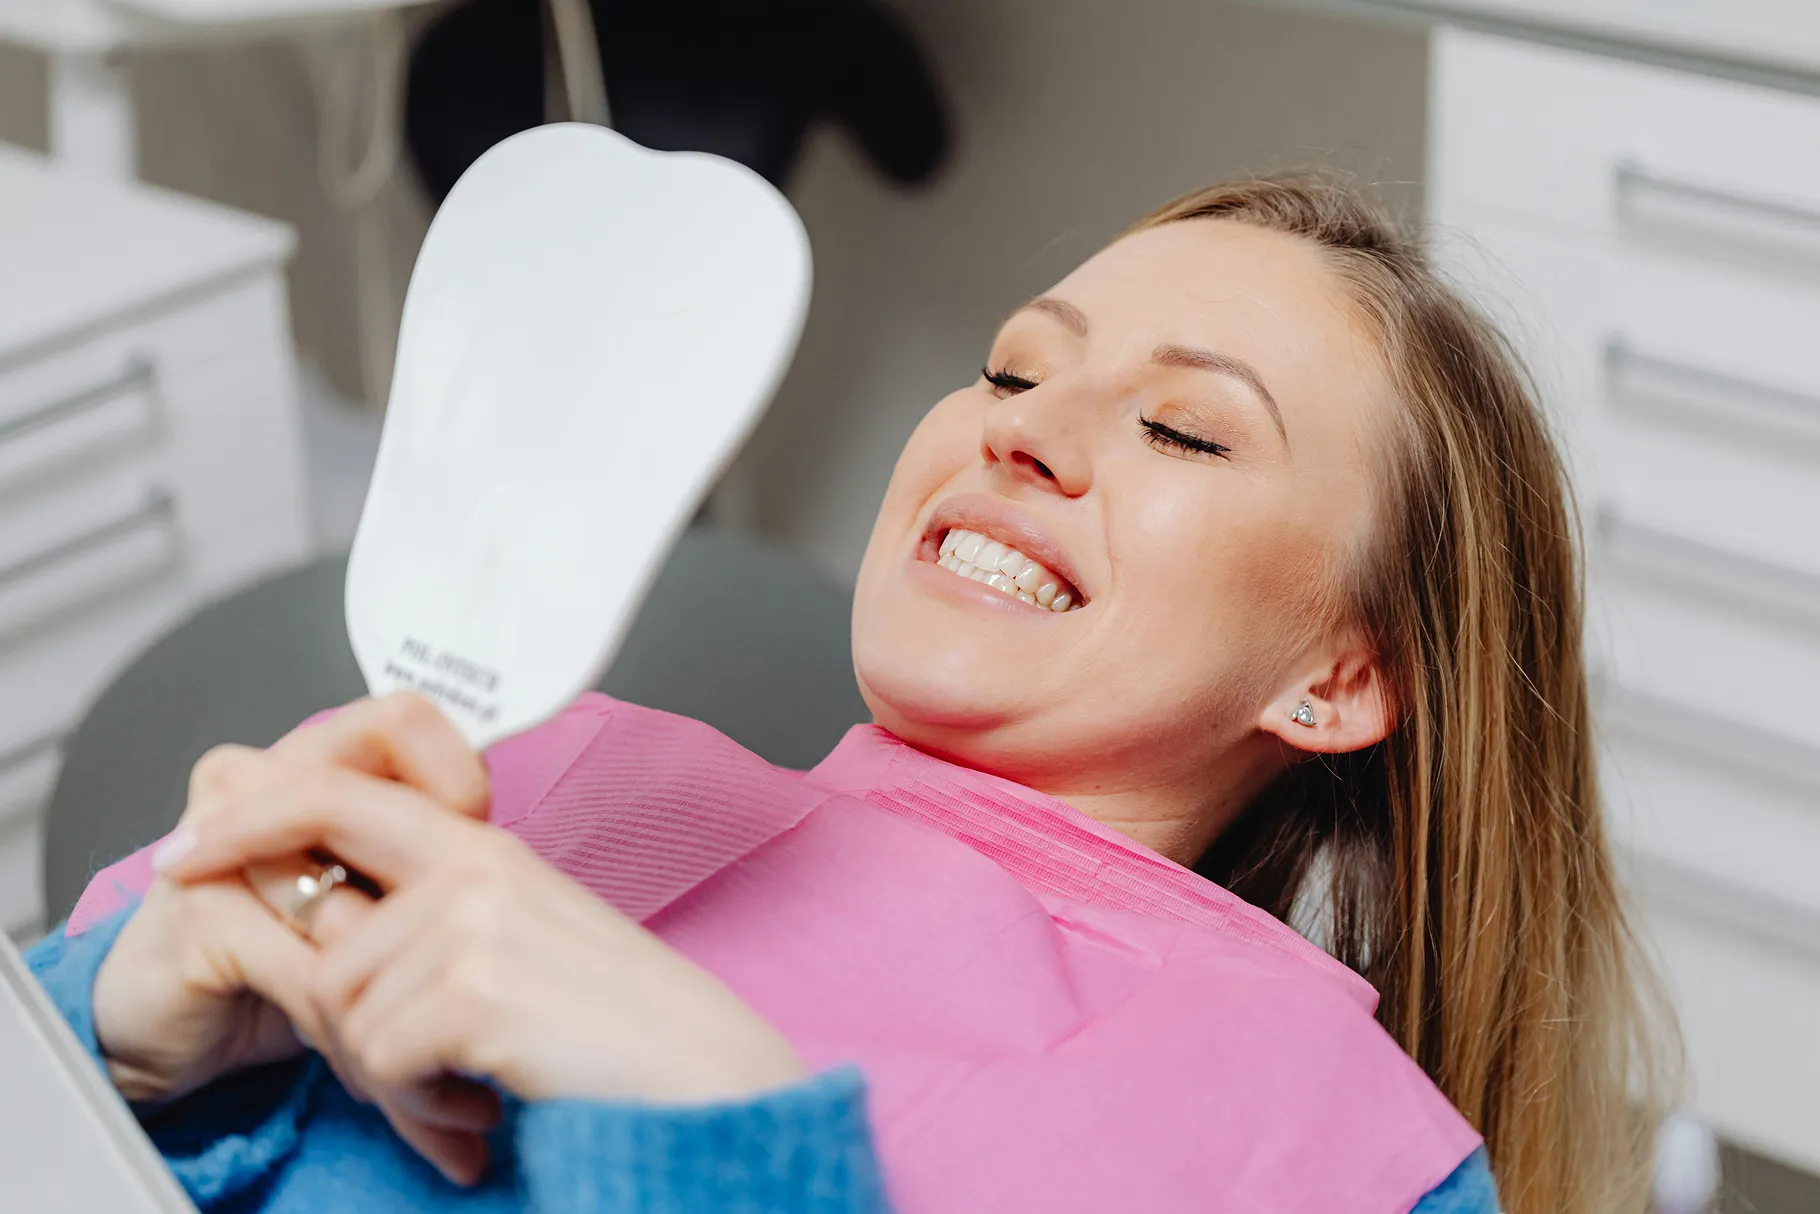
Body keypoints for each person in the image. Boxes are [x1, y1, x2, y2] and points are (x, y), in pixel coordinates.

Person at [31, 172, 1668, 1214]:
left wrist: (718, 1135)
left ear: (1340, 672)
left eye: (1184, 429)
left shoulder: (1323, 1149)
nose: (1015, 426)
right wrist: (105, 1034)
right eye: (1017, 366)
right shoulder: (521, 766)